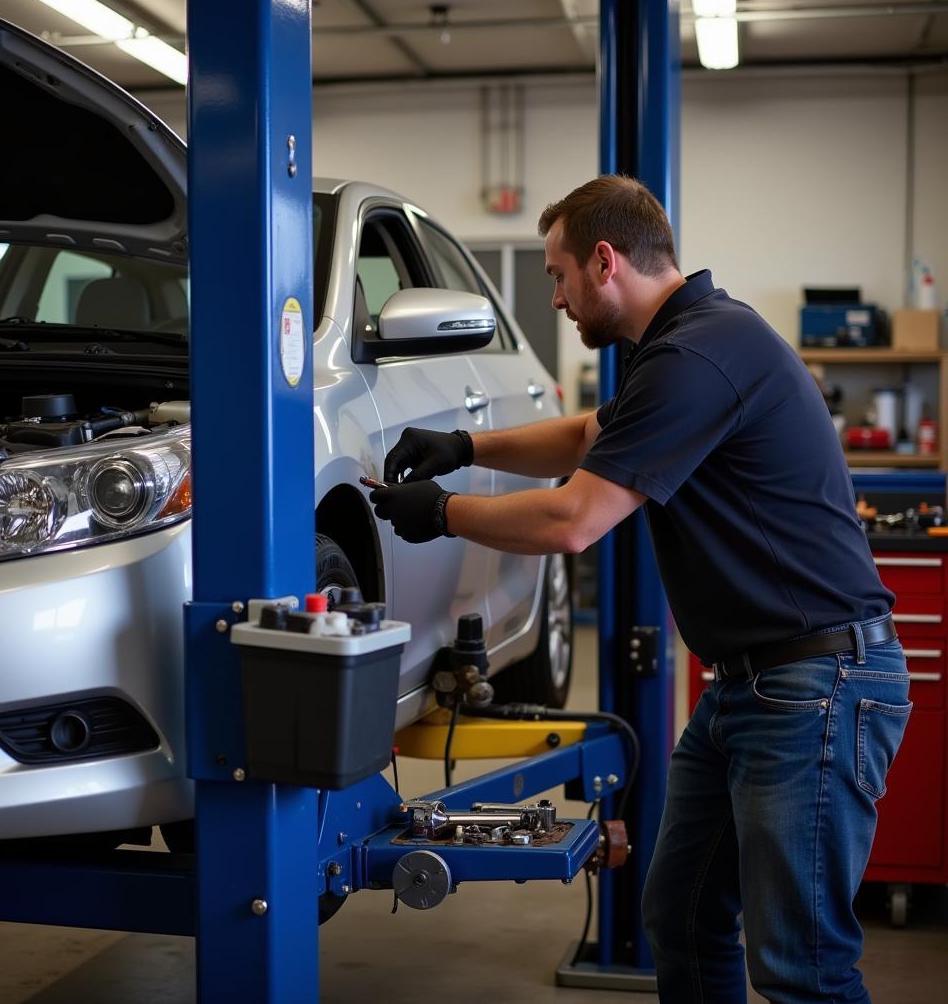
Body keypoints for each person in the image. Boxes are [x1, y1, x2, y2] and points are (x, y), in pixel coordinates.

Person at [369, 174, 911, 1004]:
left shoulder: (697, 354)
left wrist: (445, 512)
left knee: (804, 967)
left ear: (605, 261)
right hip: (756, 688)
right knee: (685, 918)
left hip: (814, 689)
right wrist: (463, 441)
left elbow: (573, 522)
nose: (555, 297)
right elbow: (589, 433)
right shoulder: (689, 342)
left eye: (557, 276)